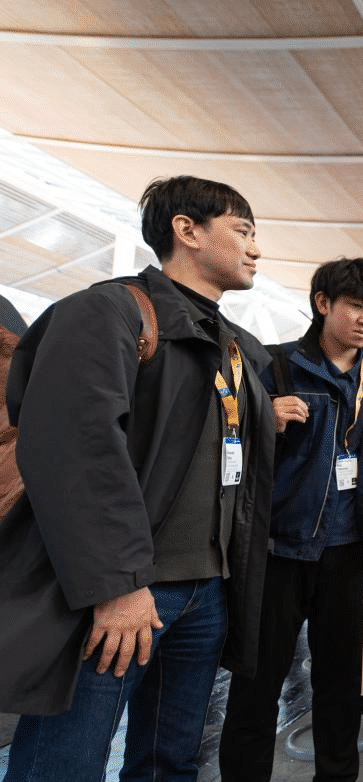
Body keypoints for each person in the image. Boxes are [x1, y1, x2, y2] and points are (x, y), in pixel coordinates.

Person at [0, 175, 276, 781]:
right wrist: (118, 586)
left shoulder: (233, 346)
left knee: (169, 763)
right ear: (188, 230)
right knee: (65, 764)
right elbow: (77, 452)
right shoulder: (108, 313)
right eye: (243, 231)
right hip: (125, 593)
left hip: (205, 593)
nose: (256, 249)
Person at [219, 257, 363, 782]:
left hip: (351, 556)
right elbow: (226, 452)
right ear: (323, 303)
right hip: (278, 552)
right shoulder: (274, 367)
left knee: (341, 687)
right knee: (256, 686)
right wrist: (263, 421)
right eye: (356, 305)